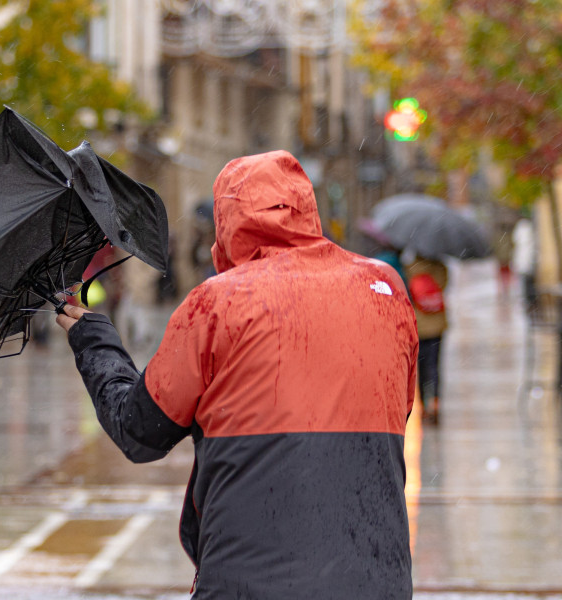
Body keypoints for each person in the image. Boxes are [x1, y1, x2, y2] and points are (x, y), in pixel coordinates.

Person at [56, 151, 418, 598]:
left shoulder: (217, 302)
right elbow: (396, 410)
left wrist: (92, 339)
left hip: (248, 584)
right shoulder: (385, 289)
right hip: (377, 581)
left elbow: (140, 432)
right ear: (307, 210)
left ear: (227, 220)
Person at [404, 255, 448, 424]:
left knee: (421, 368)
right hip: (437, 324)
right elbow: (443, 286)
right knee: (434, 366)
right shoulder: (439, 268)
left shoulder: (410, 268)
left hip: (419, 326)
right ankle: (435, 402)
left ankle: (423, 406)